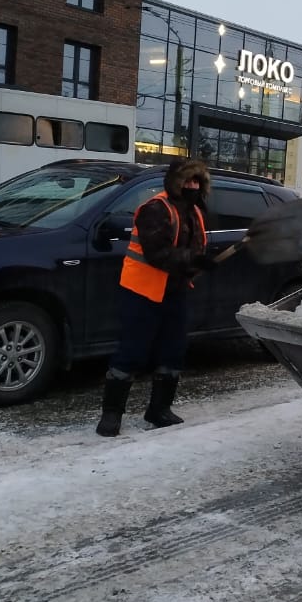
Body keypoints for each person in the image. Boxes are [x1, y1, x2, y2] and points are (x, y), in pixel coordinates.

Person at [96, 158, 214, 437]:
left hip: (175, 292)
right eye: (187, 180)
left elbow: (194, 249)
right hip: (142, 291)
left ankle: (159, 410)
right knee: (132, 352)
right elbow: (157, 253)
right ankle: (111, 415)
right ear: (174, 182)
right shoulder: (155, 209)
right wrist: (193, 259)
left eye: (196, 181)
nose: (192, 186)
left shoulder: (194, 212)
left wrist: (199, 264)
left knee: (173, 351)